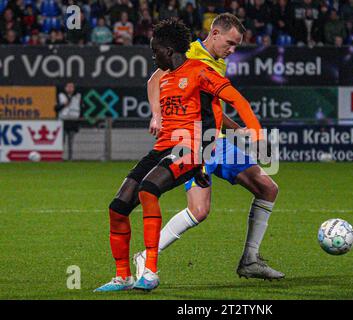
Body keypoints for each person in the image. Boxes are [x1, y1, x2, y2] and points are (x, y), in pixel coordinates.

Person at [94, 18, 264, 292]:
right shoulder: (166, 79)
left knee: (149, 190)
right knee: (118, 206)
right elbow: (154, 83)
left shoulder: (199, 71)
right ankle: (122, 276)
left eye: (156, 51)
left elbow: (236, 100)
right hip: (162, 148)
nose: (154, 56)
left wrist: (254, 130)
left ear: (170, 49)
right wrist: (157, 115)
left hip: (191, 148)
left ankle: (149, 271)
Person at [134, 13, 284, 281]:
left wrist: (237, 129)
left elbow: (211, 107)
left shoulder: (218, 62)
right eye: (230, 43)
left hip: (217, 140)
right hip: (192, 141)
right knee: (199, 211)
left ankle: (250, 260)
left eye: (237, 45)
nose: (232, 50)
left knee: (267, 188)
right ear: (214, 34)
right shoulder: (189, 53)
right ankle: (147, 255)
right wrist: (157, 114)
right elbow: (153, 81)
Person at [55, 82, 81, 161]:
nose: (70, 88)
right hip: (63, 120)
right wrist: (64, 104)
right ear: (65, 88)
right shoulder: (60, 96)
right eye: (68, 87)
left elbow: (81, 107)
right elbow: (56, 108)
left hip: (73, 120)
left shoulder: (78, 96)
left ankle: (70, 157)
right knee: (62, 140)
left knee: (71, 140)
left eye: (72, 87)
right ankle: (60, 157)